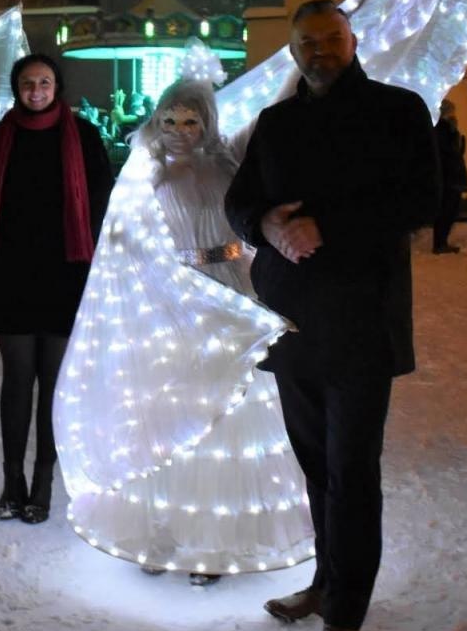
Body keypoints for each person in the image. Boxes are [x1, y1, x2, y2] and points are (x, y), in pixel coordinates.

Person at [225, 0, 438, 631]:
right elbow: (239, 201)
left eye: (330, 40)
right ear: (292, 53)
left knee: (352, 472)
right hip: (292, 323)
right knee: (315, 468)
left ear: (353, 41)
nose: (319, 52)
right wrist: (267, 226)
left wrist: (325, 228)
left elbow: (424, 200)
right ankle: (326, 583)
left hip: (361, 321)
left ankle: (345, 620)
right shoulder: (278, 122)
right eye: (306, 43)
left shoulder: (398, 112)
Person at [65, 70, 313, 585]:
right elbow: (127, 244)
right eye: (170, 120)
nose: (181, 130)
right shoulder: (144, 175)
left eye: (192, 120)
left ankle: (214, 538)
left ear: (208, 123)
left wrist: (298, 62)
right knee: (172, 417)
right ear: (156, 121)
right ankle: (165, 532)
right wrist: (170, 283)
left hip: (234, 291)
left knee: (229, 418)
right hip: (174, 304)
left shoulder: (230, 161)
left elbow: (276, 106)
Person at [0, 54, 111, 524]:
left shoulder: (84, 136)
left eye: (44, 83)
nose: (36, 91)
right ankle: (13, 482)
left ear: (56, 87)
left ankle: (44, 481)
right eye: (28, 83)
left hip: (66, 275)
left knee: (53, 383)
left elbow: (101, 206)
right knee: (16, 380)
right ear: (17, 88)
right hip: (9, 274)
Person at [432, 99, 467, 254]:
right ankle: (440, 243)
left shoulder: (449, 128)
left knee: (450, 210)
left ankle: (442, 242)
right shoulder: (443, 129)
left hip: (452, 174)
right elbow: (449, 152)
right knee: (447, 210)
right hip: (449, 176)